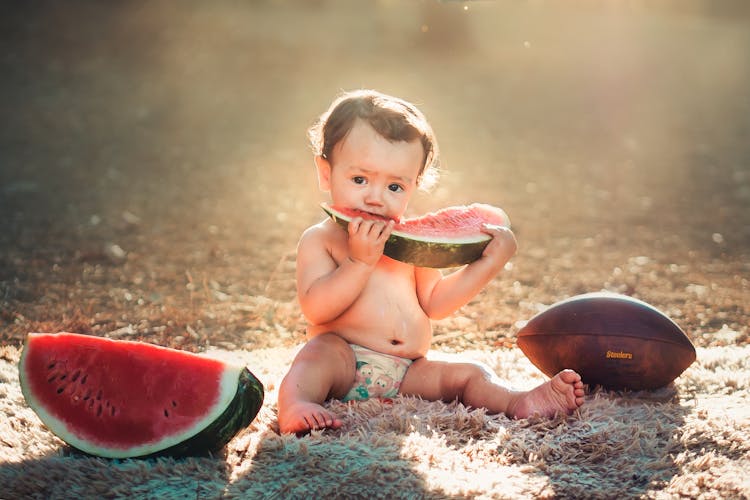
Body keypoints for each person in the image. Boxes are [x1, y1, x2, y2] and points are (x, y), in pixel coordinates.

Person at [277, 89, 584, 435]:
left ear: (415, 185)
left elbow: (435, 303)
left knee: (469, 373)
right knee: (314, 358)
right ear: (324, 172)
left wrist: (487, 264)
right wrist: (359, 263)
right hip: (342, 362)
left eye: (395, 187)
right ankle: (296, 405)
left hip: (409, 370)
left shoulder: (411, 244)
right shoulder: (320, 240)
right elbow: (317, 309)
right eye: (359, 179)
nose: (376, 198)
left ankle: (518, 401)